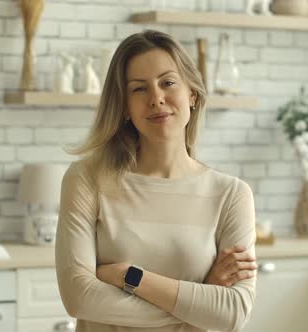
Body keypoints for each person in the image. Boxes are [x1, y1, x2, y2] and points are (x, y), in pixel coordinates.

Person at [55, 30, 258, 332]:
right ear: (124, 106)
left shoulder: (231, 195)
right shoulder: (87, 180)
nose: (156, 99)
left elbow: (233, 313)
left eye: (168, 82)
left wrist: (130, 276)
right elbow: (80, 298)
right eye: (139, 89)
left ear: (192, 93)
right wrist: (199, 300)